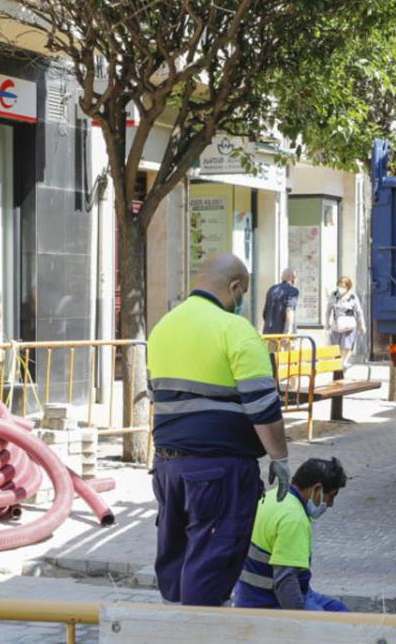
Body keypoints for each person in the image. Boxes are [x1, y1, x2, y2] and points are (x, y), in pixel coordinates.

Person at [146, 253, 292, 606]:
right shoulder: (235, 329)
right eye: (242, 293)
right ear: (235, 287)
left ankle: (173, 628)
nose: (242, 302)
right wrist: (281, 457)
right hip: (218, 470)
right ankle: (199, 632)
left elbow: (156, 394)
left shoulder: (163, 327)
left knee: (177, 563)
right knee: (211, 566)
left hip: (168, 468)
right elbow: (263, 406)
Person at [233, 458, 349, 612]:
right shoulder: (294, 519)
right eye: (331, 496)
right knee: (329, 625)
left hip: (249, 593)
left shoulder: (276, 496)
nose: (331, 504)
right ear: (317, 489)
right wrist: (299, 623)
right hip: (266, 600)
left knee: (340, 611)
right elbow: (285, 582)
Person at [326, 277, 365, 368]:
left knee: (347, 345)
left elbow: (359, 312)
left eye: (343, 286)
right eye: (339, 285)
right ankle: (339, 364)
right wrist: (327, 323)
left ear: (348, 287)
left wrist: (362, 325)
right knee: (336, 347)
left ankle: (343, 363)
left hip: (349, 325)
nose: (341, 288)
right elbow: (328, 310)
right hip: (336, 326)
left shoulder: (353, 296)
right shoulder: (334, 295)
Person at [262, 268, 299, 335]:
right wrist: (287, 333)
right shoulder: (293, 291)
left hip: (268, 333)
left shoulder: (272, 289)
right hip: (283, 335)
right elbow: (289, 311)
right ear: (293, 279)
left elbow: (265, 313)